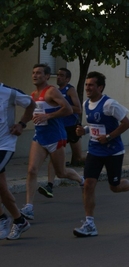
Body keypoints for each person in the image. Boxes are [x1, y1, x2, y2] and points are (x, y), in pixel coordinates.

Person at [73, 71, 129, 237]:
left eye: (91, 85)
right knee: (88, 184)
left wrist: (108, 137)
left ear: (100, 87)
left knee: (115, 187)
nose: (88, 88)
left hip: (113, 151)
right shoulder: (86, 105)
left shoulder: (109, 104)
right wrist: (83, 130)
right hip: (94, 151)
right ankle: (89, 224)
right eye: (86, 85)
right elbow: (94, 125)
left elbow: (126, 123)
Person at [20, 63, 84, 220]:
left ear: (47, 76)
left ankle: (82, 180)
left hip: (56, 137)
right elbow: (30, 113)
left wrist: (47, 116)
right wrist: (20, 125)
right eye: (33, 73)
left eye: (39, 73)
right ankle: (29, 207)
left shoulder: (52, 91)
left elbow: (68, 109)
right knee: (32, 170)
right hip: (40, 137)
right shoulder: (33, 94)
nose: (35, 75)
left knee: (61, 173)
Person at [39, 68, 84, 198]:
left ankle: (100, 160)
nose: (58, 77)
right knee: (54, 157)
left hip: (72, 127)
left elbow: (78, 109)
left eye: (62, 76)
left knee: (78, 158)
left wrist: (63, 107)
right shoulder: (54, 91)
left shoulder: (70, 90)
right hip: (59, 128)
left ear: (67, 79)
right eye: (57, 75)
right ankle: (49, 185)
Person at [0, 83, 35, 240]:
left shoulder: (9, 92)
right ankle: (19, 221)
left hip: (4, 144)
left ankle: (2, 219)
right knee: (1, 187)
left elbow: (31, 104)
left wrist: (21, 124)